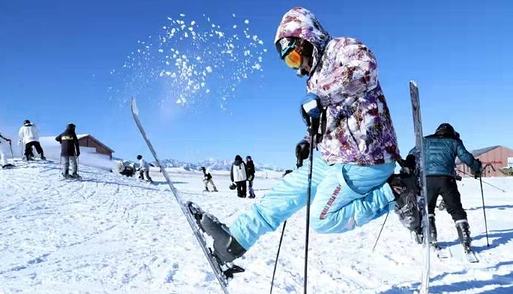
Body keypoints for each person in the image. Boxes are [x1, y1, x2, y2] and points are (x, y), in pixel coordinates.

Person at [188, 7, 411, 266]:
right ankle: (234, 242)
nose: (297, 69)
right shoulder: (312, 79)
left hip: (366, 158)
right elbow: (326, 118)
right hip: (331, 158)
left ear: (307, 41)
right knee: (283, 194)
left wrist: (321, 96)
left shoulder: (342, 47)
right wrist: (309, 140)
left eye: (294, 58)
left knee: (323, 219)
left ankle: (397, 190)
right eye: (289, 63)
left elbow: (365, 69)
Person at [407, 123, 482, 252]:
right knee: (456, 210)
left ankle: (431, 237)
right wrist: (477, 168)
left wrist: (409, 169)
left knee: (427, 209)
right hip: (447, 180)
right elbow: (466, 157)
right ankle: (465, 240)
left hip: (427, 180)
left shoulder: (425, 141)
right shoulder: (454, 141)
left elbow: (411, 155)